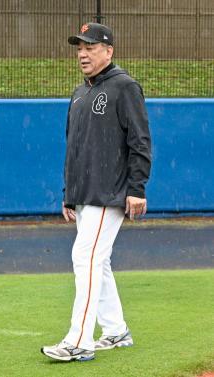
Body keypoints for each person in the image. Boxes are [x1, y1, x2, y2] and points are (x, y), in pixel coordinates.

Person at [41, 23, 151, 362]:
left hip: (111, 192)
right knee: (97, 263)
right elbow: (74, 146)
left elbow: (140, 141)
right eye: (79, 48)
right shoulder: (79, 92)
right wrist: (68, 192)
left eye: (90, 47)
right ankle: (116, 330)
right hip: (85, 192)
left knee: (84, 258)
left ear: (108, 51)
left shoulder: (124, 87)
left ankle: (79, 341)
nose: (83, 53)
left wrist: (137, 188)